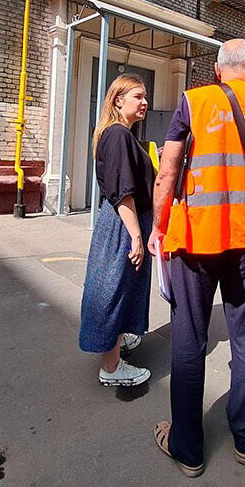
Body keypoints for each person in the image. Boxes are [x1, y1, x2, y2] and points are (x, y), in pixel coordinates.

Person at [147, 39, 245, 477]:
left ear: (218, 71)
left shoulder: (194, 102)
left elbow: (169, 169)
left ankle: (189, 450)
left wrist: (157, 229)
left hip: (197, 239)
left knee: (189, 340)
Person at [78, 73, 155, 387]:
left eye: (145, 97)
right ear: (118, 100)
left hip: (123, 220)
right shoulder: (119, 135)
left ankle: (117, 339)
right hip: (124, 223)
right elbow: (124, 192)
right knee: (113, 288)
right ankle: (111, 368)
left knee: (123, 286)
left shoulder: (118, 134)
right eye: (138, 96)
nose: (145, 102)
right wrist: (136, 235)